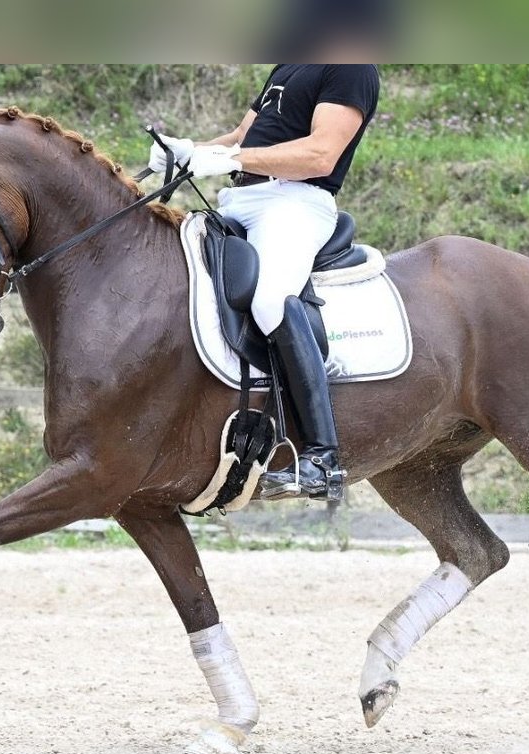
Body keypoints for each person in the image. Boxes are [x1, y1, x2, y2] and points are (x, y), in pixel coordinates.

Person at [151, 64, 380, 500]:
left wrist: (229, 159)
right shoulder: (291, 62)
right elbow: (244, 135)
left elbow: (320, 155)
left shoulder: (351, 66)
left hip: (294, 203)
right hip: (241, 198)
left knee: (272, 299)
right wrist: (187, 151)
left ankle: (322, 458)